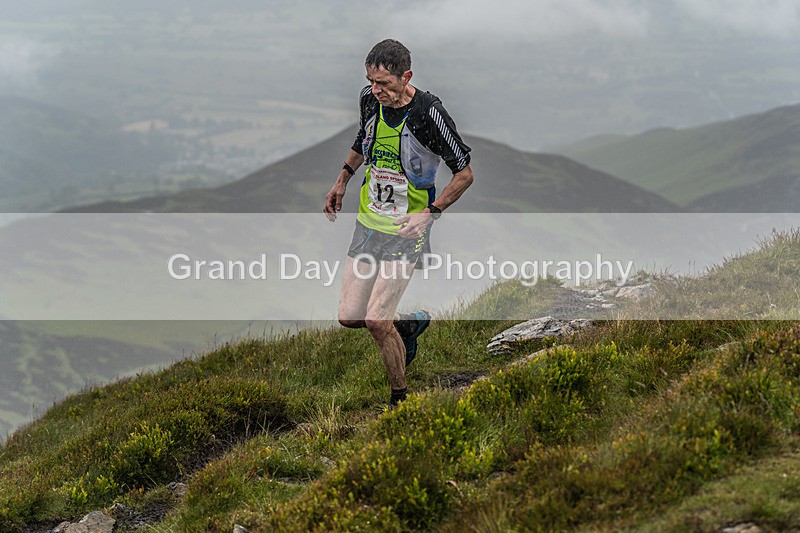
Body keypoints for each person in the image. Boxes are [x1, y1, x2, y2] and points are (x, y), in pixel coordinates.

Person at [324, 39, 474, 407]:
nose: (376, 91)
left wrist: (430, 213)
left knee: (376, 321)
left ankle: (399, 401)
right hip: (368, 223)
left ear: (406, 76)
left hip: (406, 231)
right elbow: (364, 138)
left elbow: (465, 174)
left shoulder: (428, 113)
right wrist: (342, 178)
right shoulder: (369, 99)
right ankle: (406, 326)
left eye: (385, 84)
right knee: (349, 317)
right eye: (370, 82)